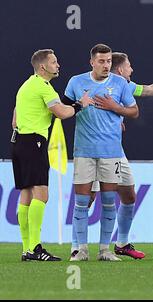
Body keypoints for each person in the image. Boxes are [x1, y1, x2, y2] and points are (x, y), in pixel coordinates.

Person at [69, 52, 153, 260]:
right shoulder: (101, 83)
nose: (132, 69)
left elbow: (149, 90)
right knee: (88, 198)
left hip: (115, 153)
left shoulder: (124, 85)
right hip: (91, 151)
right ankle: (78, 247)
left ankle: (121, 244)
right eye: (129, 66)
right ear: (120, 69)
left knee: (128, 195)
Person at [11, 49, 91, 261]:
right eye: (54, 62)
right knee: (42, 195)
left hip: (19, 142)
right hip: (34, 142)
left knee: (26, 194)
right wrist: (80, 104)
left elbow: (14, 120)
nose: (58, 65)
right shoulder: (43, 87)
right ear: (43, 67)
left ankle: (27, 248)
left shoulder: (26, 86)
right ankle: (35, 248)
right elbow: (63, 113)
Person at [63, 44, 138, 262]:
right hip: (84, 150)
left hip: (111, 151)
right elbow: (63, 109)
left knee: (108, 201)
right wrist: (79, 104)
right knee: (81, 201)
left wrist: (116, 108)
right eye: (102, 61)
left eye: (108, 62)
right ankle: (81, 250)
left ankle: (105, 250)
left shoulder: (120, 83)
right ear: (92, 62)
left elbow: (134, 111)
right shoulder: (76, 82)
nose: (106, 65)